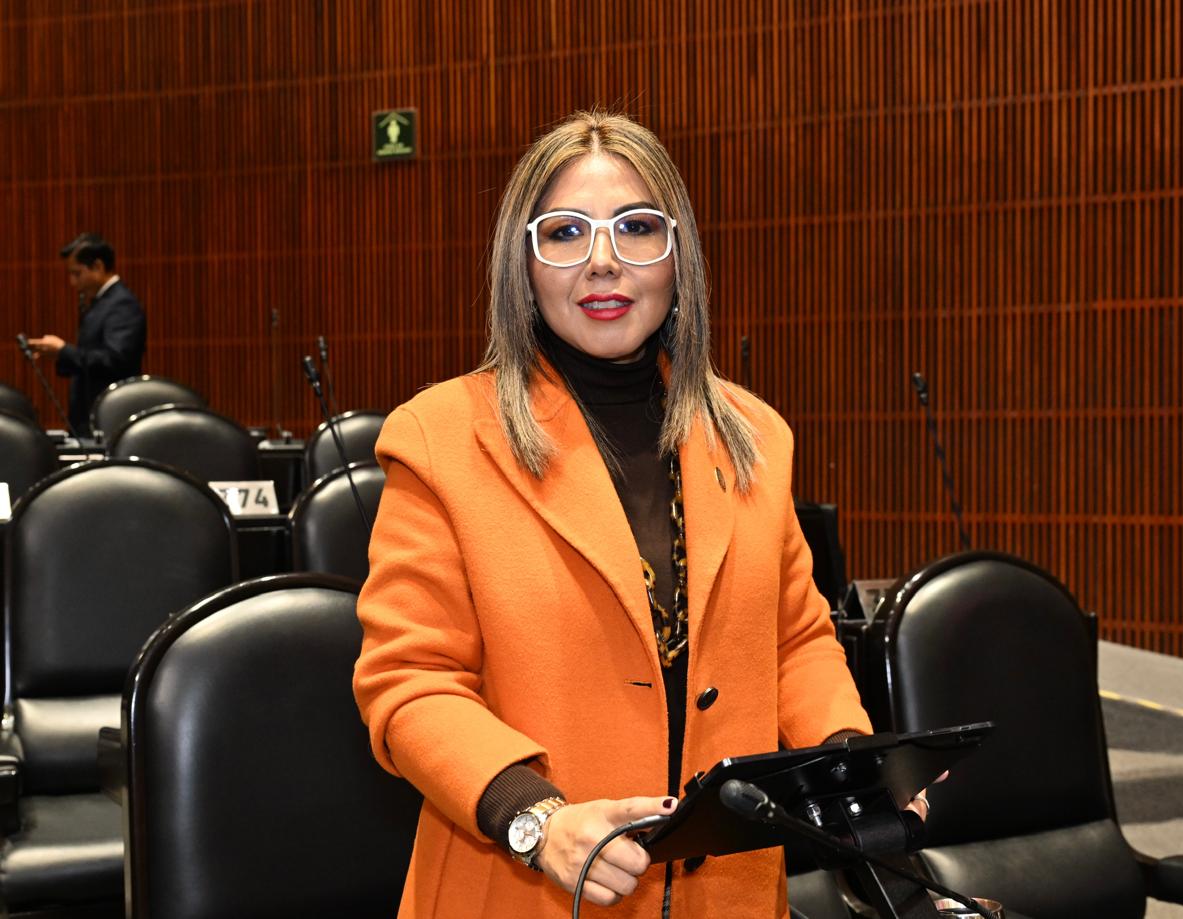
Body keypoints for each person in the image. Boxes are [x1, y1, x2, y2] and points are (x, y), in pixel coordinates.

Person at [353, 110, 932, 919]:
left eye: (636, 227)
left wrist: (850, 763)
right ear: (523, 263)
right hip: (524, 891)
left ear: (677, 255)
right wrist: (534, 818)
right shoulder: (438, 439)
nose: (603, 261)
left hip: (725, 896)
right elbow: (410, 681)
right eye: (565, 232)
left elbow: (795, 641)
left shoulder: (756, 438)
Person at [28, 233, 146, 436]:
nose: (73, 282)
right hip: (90, 414)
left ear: (98, 266)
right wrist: (59, 354)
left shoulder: (121, 304)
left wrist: (64, 351)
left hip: (108, 418)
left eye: (77, 273)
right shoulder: (103, 302)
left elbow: (115, 360)